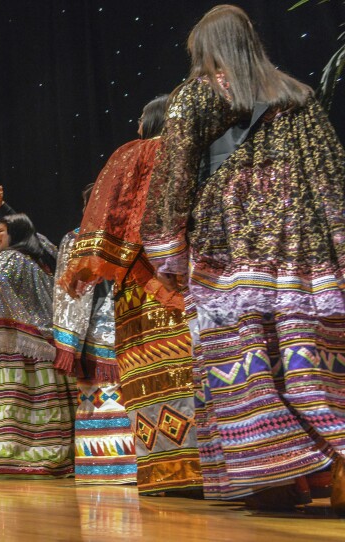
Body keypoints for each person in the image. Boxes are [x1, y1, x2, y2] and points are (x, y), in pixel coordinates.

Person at [141, 5, 345, 509]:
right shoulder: (300, 96)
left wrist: (167, 252)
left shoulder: (198, 93)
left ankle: (277, 479)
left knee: (245, 359)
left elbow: (175, 175)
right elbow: (332, 177)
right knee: (306, 356)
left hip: (231, 245)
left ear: (206, 51)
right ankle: (334, 472)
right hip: (303, 250)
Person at [59, 96, 203, 495]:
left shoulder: (132, 156)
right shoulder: (197, 153)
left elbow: (108, 224)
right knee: (197, 370)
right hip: (196, 285)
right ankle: (215, 467)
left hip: (141, 294)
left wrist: (84, 267)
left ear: (148, 123)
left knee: (153, 379)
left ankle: (168, 471)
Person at [0, 210, 77, 478]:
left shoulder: (9, 260)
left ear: (15, 234)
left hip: (10, 346)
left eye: (2, 230)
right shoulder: (38, 265)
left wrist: (11, 318)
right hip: (38, 346)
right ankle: (46, 454)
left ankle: (7, 456)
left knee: (10, 401)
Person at [53, 184, 136, 486]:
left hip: (124, 326)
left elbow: (67, 295)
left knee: (115, 396)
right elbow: (69, 293)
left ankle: (122, 464)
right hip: (103, 332)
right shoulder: (77, 239)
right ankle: (107, 465)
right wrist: (68, 342)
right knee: (101, 396)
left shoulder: (126, 233)